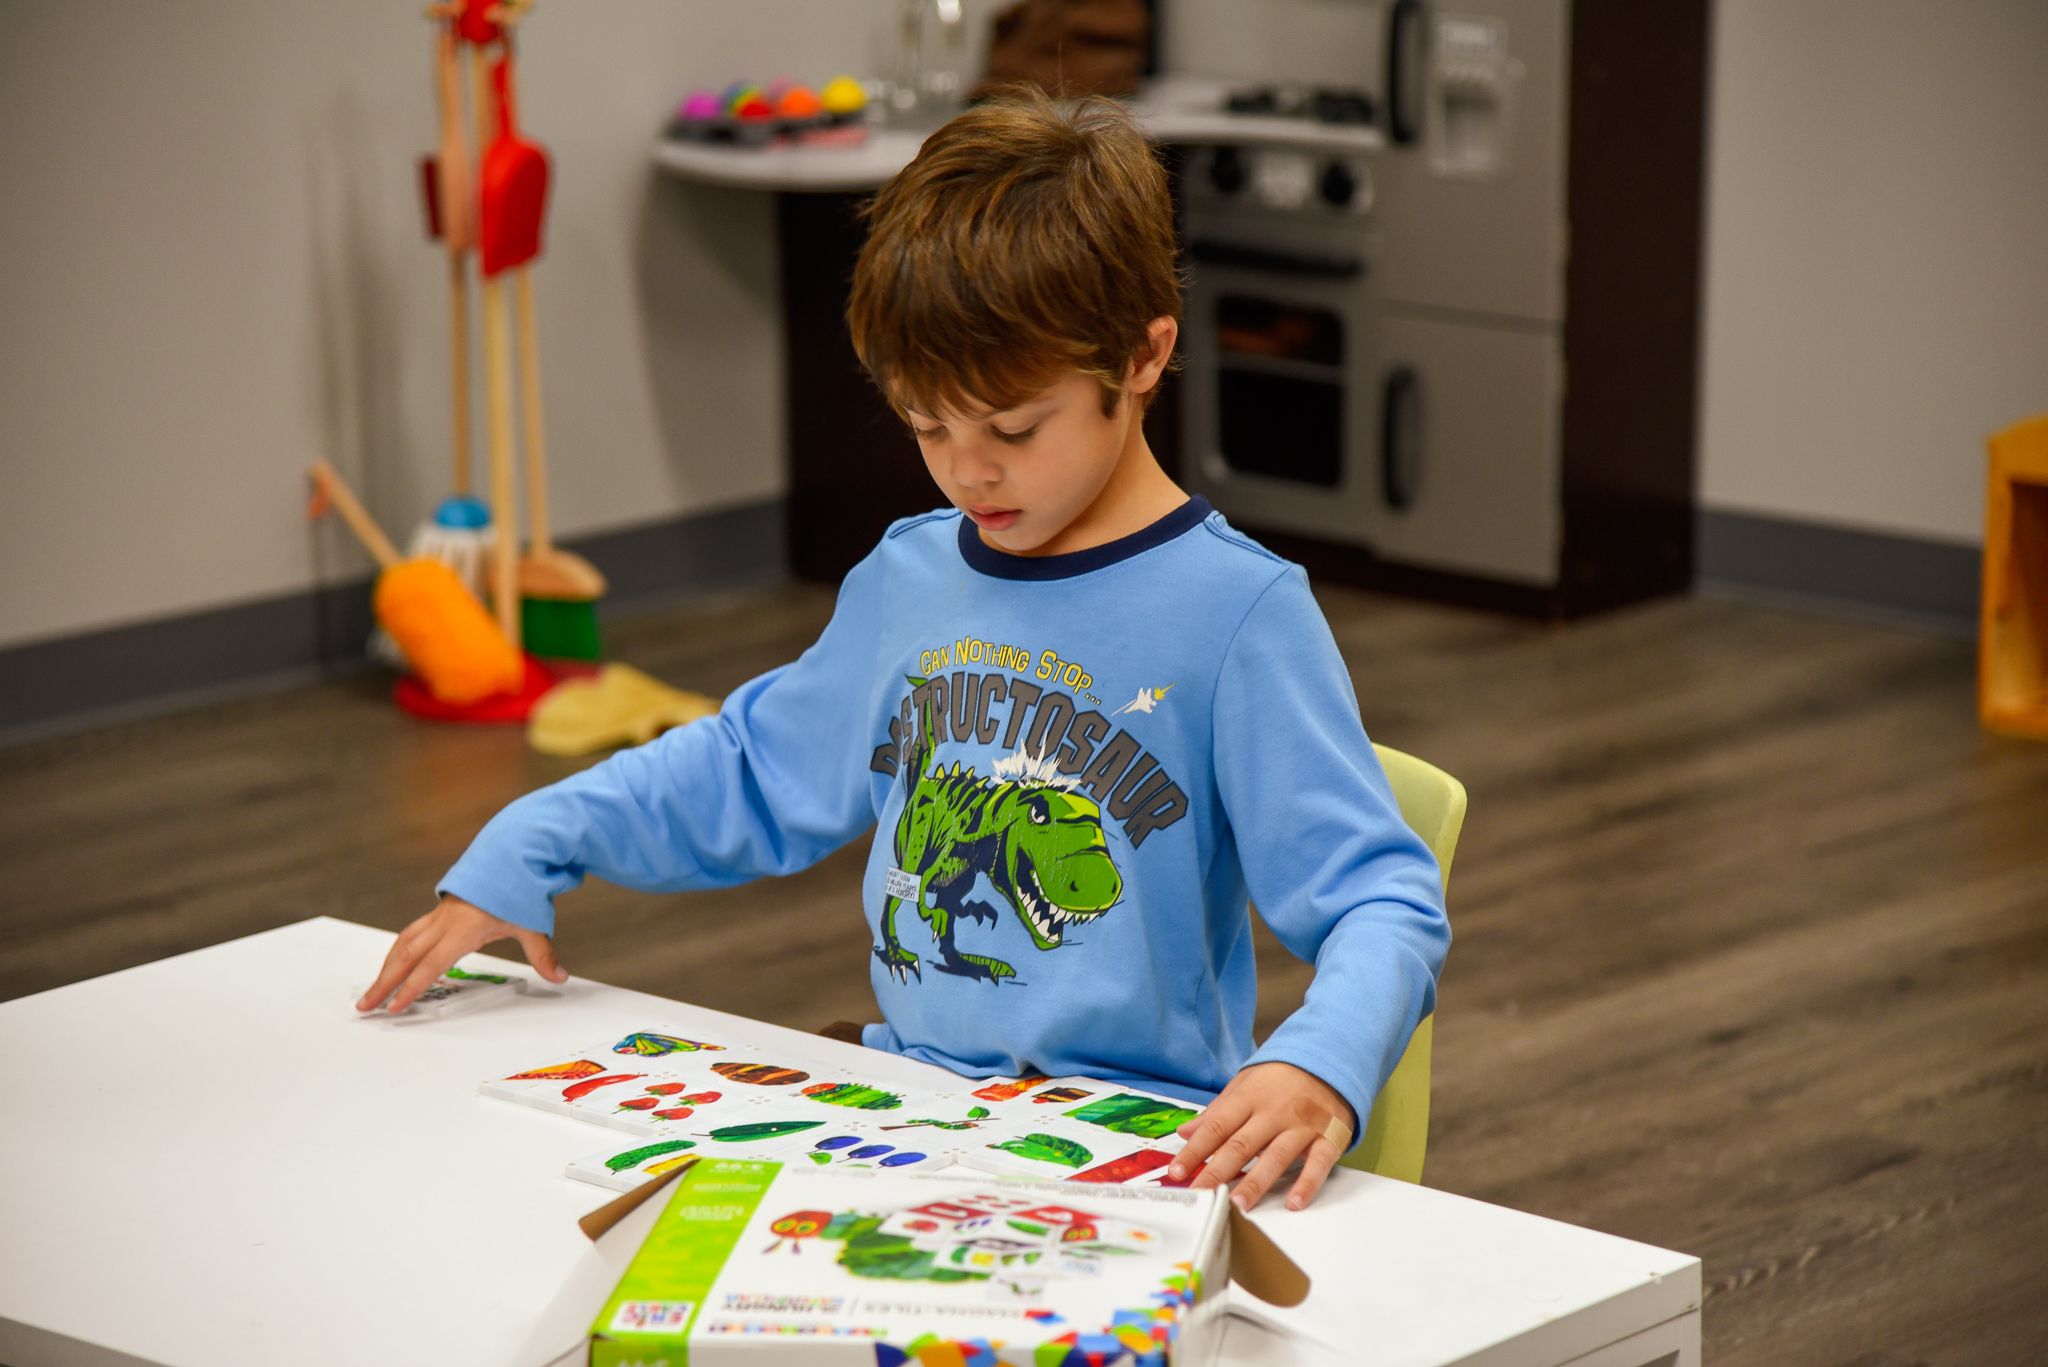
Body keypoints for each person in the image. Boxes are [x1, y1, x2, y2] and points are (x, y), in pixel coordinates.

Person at [358, 88, 1449, 1213]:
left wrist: (1315, 1059)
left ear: (1141, 356)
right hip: (908, 1108)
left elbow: (1380, 897)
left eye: (1013, 430)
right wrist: (537, 835)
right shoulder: (909, 578)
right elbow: (750, 767)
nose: (967, 472)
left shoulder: (1238, 613)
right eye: (928, 427)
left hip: (1130, 1146)